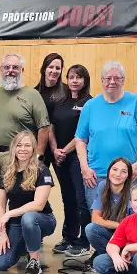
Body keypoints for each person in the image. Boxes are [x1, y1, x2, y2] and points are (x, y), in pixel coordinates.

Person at [74, 60, 137, 207]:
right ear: (102, 81)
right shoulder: (90, 106)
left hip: (129, 173)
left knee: (130, 219)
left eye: (117, 78)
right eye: (108, 78)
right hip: (96, 174)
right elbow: (80, 139)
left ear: (123, 80)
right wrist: (84, 168)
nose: (112, 82)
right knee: (99, 220)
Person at [0, 131, 57, 274]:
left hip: (42, 219)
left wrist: (8, 214)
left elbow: (38, 205)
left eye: (27, 145)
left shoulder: (42, 170)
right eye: (19, 145)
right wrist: (2, 234)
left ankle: (34, 261)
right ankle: (27, 246)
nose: (23, 149)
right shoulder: (6, 171)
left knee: (28, 218)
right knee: (2, 263)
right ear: (13, 148)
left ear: (33, 149)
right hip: (16, 222)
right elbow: (0, 205)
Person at [50, 65, 93, 257]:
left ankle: (84, 240)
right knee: (67, 198)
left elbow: (84, 134)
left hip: (78, 157)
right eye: (72, 77)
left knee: (81, 199)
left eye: (79, 77)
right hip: (60, 158)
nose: (75, 81)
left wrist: (65, 150)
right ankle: (69, 237)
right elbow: (51, 126)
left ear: (85, 80)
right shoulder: (61, 102)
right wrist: (55, 150)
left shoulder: (90, 103)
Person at [0, 54, 50, 158]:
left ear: (22, 70)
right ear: (1, 69)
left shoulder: (33, 95)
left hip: (19, 156)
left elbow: (43, 128)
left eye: (15, 67)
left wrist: (39, 156)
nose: (10, 70)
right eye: (7, 67)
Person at [85, 157, 135, 259]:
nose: (118, 174)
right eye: (115, 169)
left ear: (128, 176)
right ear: (108, 172)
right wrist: (118, 225)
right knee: (91, 229)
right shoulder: (103, 186)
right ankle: (110, 259)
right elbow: (95, 219)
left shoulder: (134, 192)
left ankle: (122, 258)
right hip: (113, 232)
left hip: (129, 238)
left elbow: (134, 227)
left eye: (123, 171)